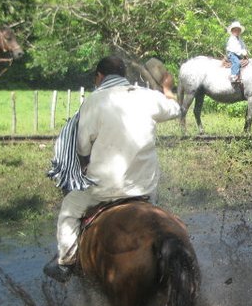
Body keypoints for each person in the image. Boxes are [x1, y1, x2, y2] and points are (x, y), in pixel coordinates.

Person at [43, 55, 182, 282]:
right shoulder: (148, 97)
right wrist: (167, 88)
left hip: (105, 188)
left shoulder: (94, 100)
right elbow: (175, 109)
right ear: (123, 76)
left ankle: (66, 261)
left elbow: (81, 146)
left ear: (99, 76)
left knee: (70, 208)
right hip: (145, 186)